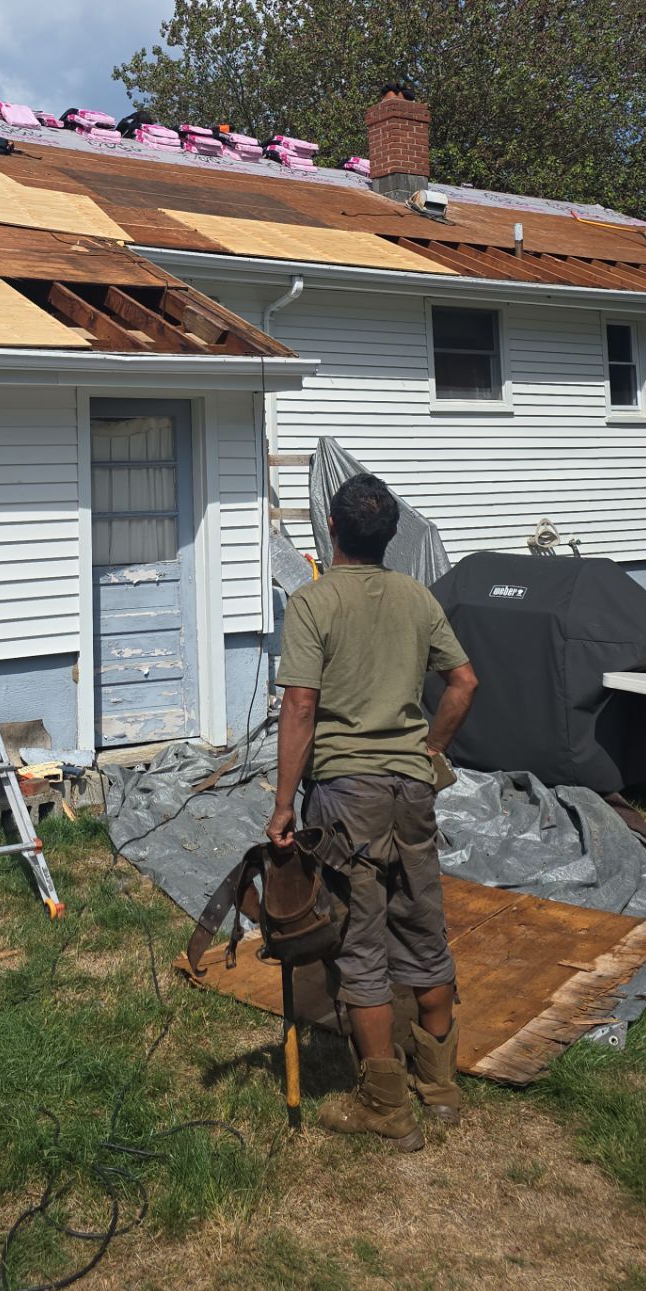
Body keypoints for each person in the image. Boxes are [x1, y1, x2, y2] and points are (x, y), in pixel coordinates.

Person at [266, 473, 478, 1150]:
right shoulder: (418, 598)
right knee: (423, 928)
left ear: (332, 528)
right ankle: (440, 1090)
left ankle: (386, 1108)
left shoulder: (312, 602)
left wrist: (281, 806)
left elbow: (300, 706)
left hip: (345, 795)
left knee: (360, 942)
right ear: (390, 534)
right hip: (411, 790)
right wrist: (430, 748)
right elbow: (464, 682)